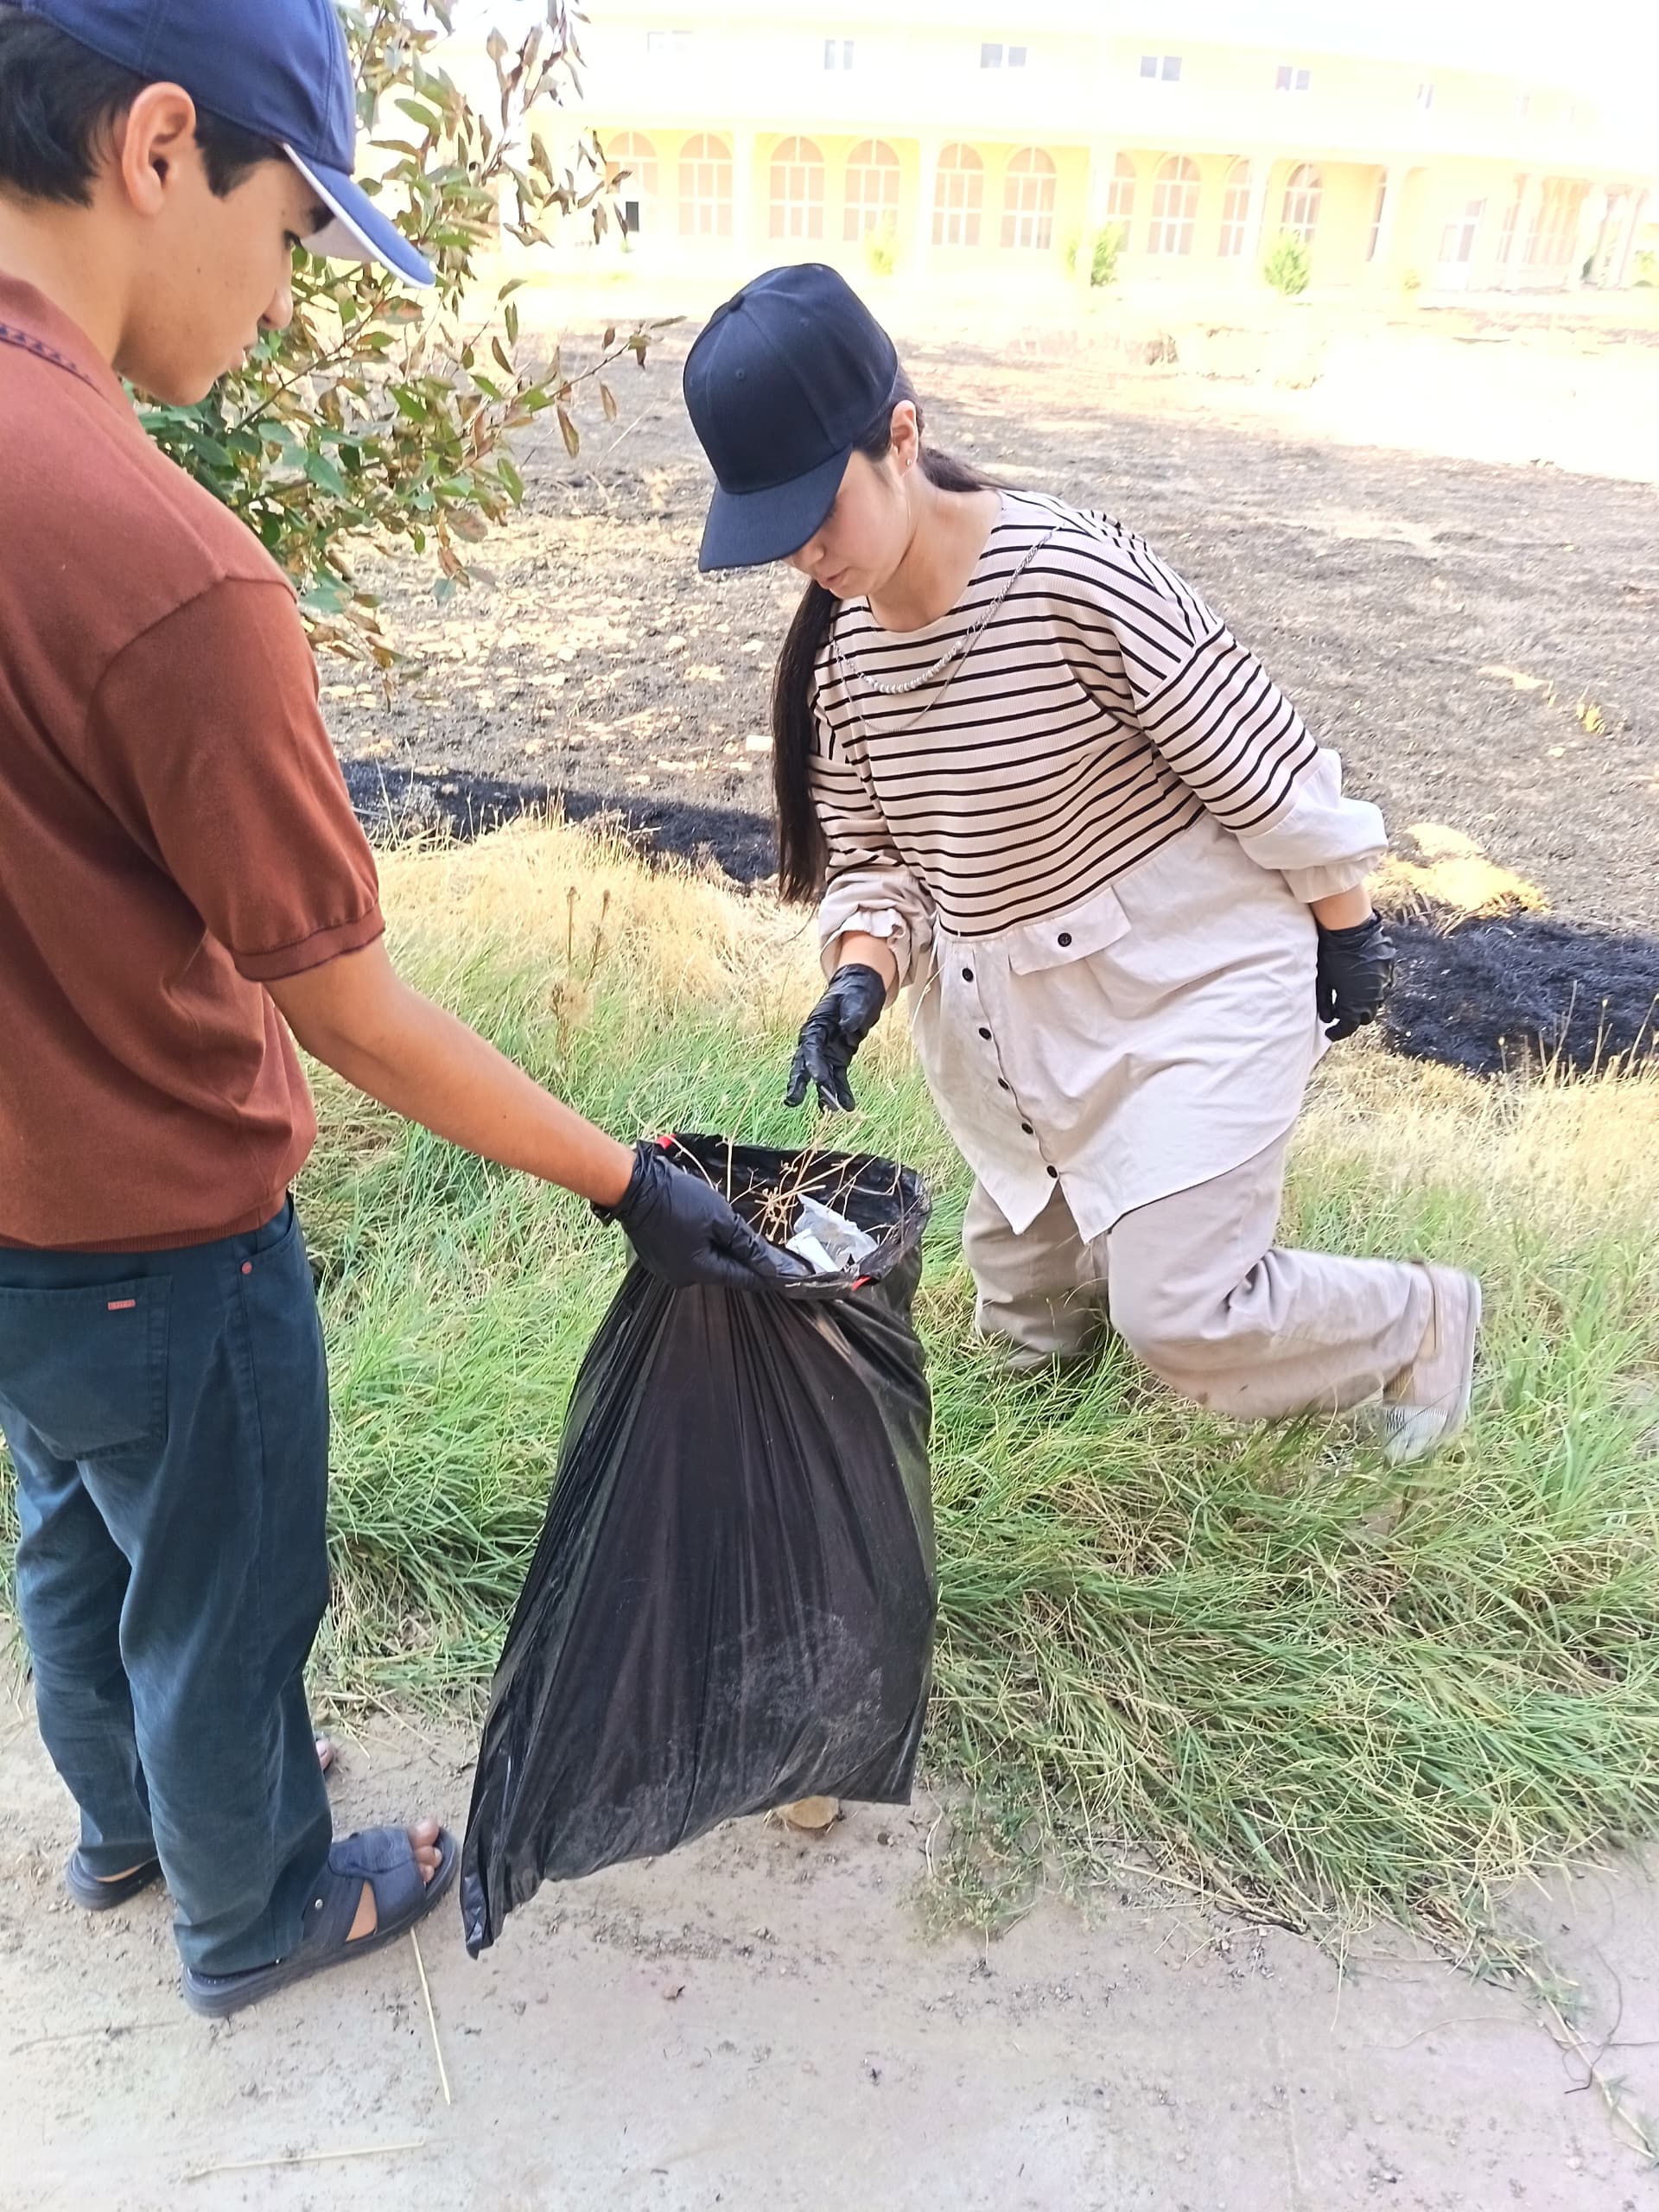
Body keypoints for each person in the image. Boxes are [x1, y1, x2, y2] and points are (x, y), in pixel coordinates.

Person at [0, 0, 783, 2021]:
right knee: (225, 1577)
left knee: (75, 1533)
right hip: (167, 1238)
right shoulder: (166, 567)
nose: (284, 299)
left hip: (12, 1234)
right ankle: (254, 1899)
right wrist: (627, 1180)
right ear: (156, 148)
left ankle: (126, 1823)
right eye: (290, 233)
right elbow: (347, 1009)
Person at [682, 264, 1482, 1461]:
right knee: (1028, 1340)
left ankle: (1422, 1321)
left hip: (1185, 983)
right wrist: (858, 977)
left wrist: (1347, 923)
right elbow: (879, 863)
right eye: (776, 529)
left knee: (1179, 1314)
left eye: (818, 509)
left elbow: (1255, 755)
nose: (805, 551)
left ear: (903, 437)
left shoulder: (1070, 572)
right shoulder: (843, 661)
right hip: (1021, 1031)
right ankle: (1096, 1342)